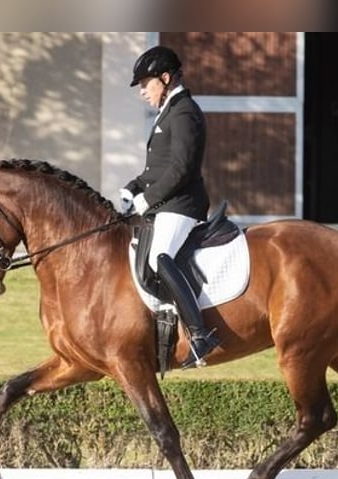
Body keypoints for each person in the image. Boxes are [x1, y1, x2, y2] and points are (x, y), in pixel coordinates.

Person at [119, 45, 220, 369]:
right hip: (167, 203)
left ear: (165, 78)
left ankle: (201, 335)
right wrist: (133, 186)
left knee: (159, 257)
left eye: (146, 84)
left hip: (182, 206)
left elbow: (182, 169)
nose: (143, 93)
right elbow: (157, 169)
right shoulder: (170, 112)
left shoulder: (185, 111)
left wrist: (147, 198)